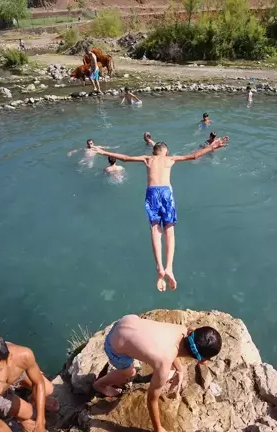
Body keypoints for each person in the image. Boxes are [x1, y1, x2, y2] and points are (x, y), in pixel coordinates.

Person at [94, 137, 229, 291]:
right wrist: (212, 146)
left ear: (154, 151)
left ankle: (159, 266)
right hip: (166, 192)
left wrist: (102, 151)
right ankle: (169, 267)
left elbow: (125, 158)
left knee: (155, 229)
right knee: (169, 231)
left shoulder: (148, 159)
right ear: (166, 152)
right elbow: (194, 156)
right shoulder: (169, 159)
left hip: (152, 193)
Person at [92, 314, 222, 432]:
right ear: (202, 360)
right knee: (129, 373)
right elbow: (151, 399)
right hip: (114, 346)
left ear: (192, 331)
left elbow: (174, 348)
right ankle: (100, 385)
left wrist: (180, 369)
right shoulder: (163, 365)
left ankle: (127, 350)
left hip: (127, 321)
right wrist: (158, 428)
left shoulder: (181, 330)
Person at [0, 334, 58, 432]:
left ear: (9, 359)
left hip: (14, 371)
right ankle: (18, 419)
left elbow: (38, 383)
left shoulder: (23, 356)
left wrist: (41, 422)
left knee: (48, 389)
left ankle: (30, 395)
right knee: (30, 413)